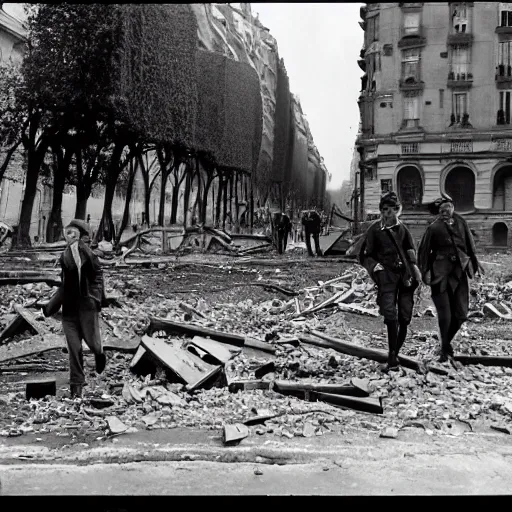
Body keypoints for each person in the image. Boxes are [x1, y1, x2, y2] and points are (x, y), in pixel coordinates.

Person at [43, 219, 106, 398]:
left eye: (74, 233)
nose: (69, 237)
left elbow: (96, 276)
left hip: (87, 308)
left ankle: (99, 353)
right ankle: (76, 387)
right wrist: (49, 309)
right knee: (74, 348)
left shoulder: (91, 256)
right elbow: (65, 286)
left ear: (82, 236)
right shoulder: (66, 256)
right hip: (69, 311)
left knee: (93, 342)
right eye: (67, 233)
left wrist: (96, 299)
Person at [359, 192, 422, 372]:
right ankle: (392, 357)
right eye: (384, 210)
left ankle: (395, 352)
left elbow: (411, 250)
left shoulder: (403, 230)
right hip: (386, 275)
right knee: (389, 313)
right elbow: (364, 255)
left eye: (391, 210)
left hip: (405, 276)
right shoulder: (374, 230)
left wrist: (414, 267)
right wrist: (374, 266)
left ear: (397, 211)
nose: (387, 214)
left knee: (404, 316)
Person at [418, 194, 481, 363]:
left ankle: (444, 344)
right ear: (439, 212)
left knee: (460, 314)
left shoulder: (461, 223)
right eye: (442, 210)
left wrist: (474, 265)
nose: (446, 212)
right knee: (445, 316)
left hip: (459, 272)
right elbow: (423, 252)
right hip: (440, 275)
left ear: (453, 207)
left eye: (448, 208)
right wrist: (425, 272)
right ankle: (445, 350)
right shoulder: (433, 228)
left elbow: (470, 245)